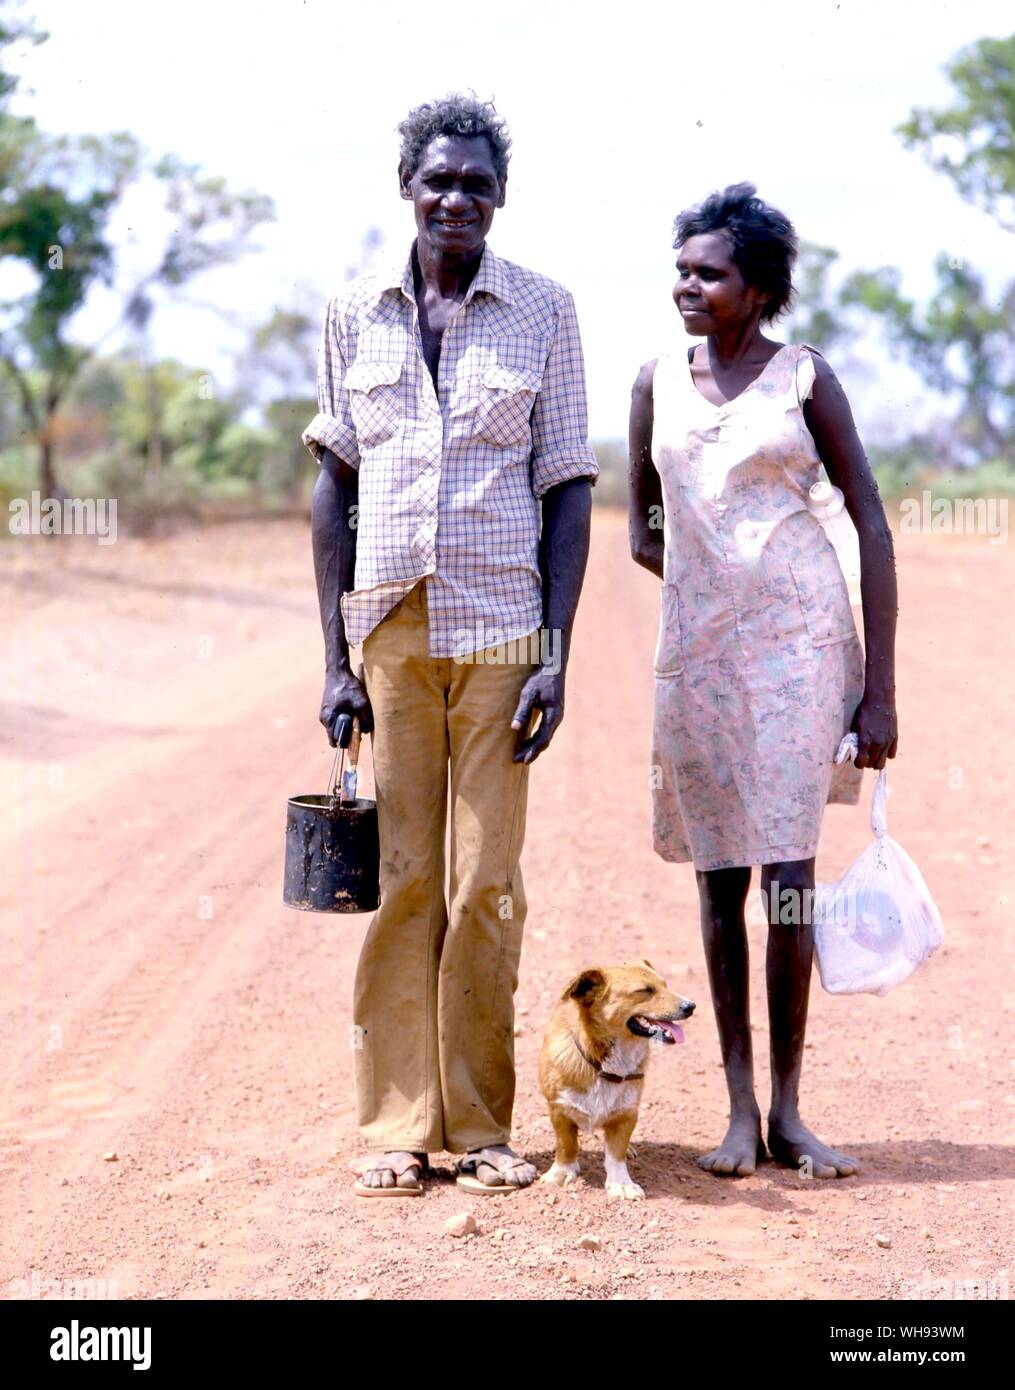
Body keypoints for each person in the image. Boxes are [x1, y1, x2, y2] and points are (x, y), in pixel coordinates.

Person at [303, 94, 598, 1196]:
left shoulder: (543, 312)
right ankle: (394, 1127)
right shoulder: (353, 316)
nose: (456, 198)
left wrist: (558, 653)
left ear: (499, 196)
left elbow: (567, 487)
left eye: (476, 182)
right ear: (408, 189)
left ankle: (478, 1126)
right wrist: (334, 660)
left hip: (503, 630)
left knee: (485, 883)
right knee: (404, 877)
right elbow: (331, 490)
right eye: (439, 180)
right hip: (389, 624)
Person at [628, 182, 898, 1178]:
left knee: (786, 875)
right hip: (697, 656)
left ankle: (789, 1109)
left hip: (800, 648)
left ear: (758, 288)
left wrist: (878, 693)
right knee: (717, 878)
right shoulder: (654, 379)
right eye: (683, 270)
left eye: (711, 273)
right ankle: (735, 1109)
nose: (688, 286)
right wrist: (712, 587)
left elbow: (869, 518)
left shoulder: (803, 379)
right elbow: (641, 530)